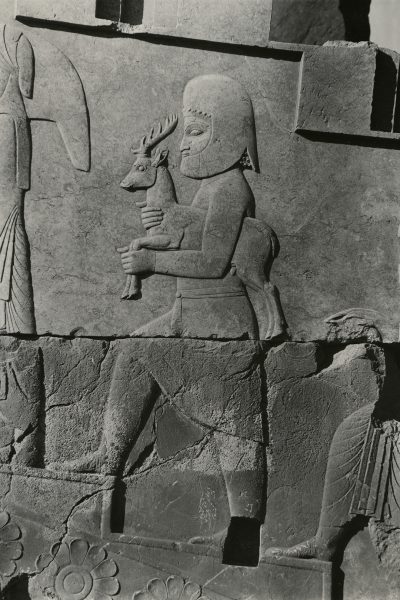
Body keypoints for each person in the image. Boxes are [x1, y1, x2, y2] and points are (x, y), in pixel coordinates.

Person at [53, 75, 277, 546]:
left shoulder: (230, 189)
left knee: (233, 428)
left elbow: (215, 262)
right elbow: (189, 234)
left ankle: (243, 532)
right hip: (189, 314)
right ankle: (108, 458)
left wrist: (151, 261)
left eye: (196, 133)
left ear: (228, 138)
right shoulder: (209, 188)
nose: (184, 146)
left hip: (220, 322)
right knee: (136, 353)